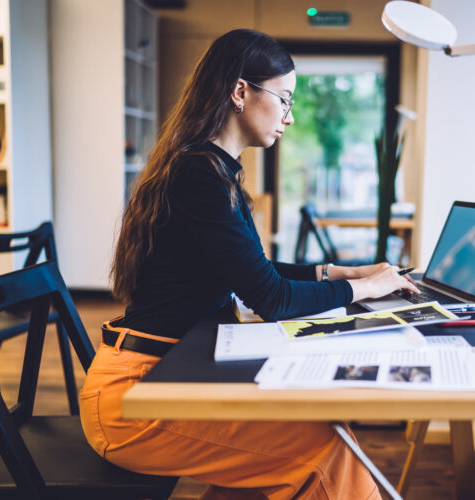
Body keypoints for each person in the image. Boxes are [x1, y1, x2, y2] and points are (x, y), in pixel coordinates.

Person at [79, 28, 419, 499]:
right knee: (325, 451)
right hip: (137, 400)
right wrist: (366, 290)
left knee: (316, 434)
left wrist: (341, 273)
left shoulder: (207, 169)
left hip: (168, 378)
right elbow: (271, 296)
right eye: (284, 99)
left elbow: (252, 267)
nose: (290, 117)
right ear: (241, 91)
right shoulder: (200, 176)